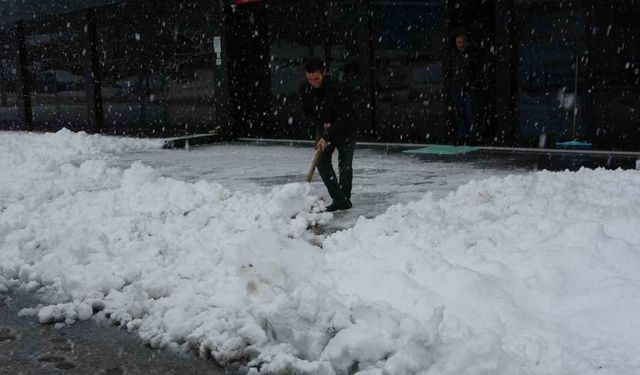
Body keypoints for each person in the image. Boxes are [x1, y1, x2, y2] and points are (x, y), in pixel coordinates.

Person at [299, 58, 357, 212]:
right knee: (322, 162)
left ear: (324, 73)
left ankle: (345, 198)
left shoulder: (338, 87)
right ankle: (340, 199)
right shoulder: (305, 89)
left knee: (345, 165)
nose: (314, 82)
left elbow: (345, 116)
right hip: (324, 128)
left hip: (345, 129)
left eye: (317, 78)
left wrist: (327, 134)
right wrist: (321, 122)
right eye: (310, 79)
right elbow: (307, 111)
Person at [449, 29, 479, 144]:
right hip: (457, 88)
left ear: (466, 43)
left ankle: (471, 137)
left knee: (469, 113)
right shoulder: (453, 55)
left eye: (462, 42)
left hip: (468, 88)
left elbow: (476, 72)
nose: (461, 45)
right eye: (459, 43)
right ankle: (463, 136)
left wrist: (472, 84)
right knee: (459, 113)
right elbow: (449, 71)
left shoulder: (472, 55)